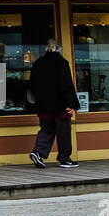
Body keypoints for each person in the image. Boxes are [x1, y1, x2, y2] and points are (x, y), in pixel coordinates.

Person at [28, 37, 79, 169]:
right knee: (64, 132)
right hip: (61, 105)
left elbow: (32, 85)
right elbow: (66, 85)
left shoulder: (38, 63)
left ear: (46, 48)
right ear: (59, 49)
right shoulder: (62, 63)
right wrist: (72, 104)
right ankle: (64, 159)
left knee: (46, 130)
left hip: (43, 105)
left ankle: (37, 152)